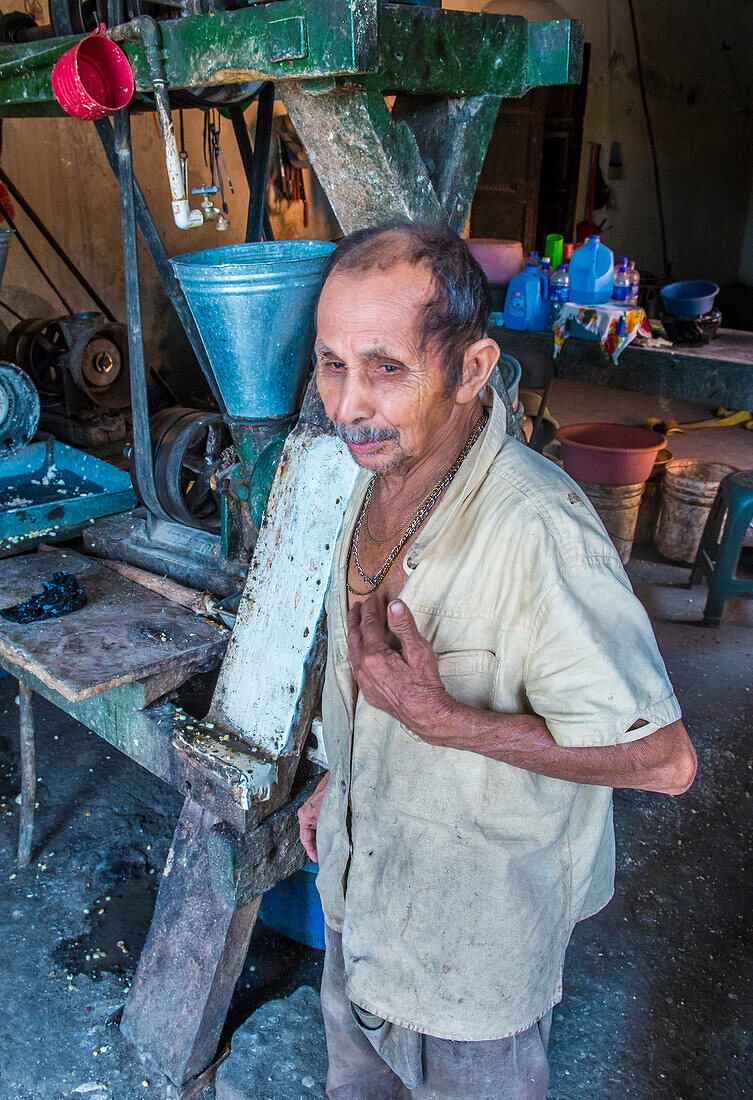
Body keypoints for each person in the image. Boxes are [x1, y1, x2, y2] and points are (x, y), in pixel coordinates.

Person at [298, 222, 696, 1099]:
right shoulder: (370, 477)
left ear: (471, 370)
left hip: (473, 956)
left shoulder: (537, 530)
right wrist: (349, 776)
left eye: (386, 367)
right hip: (360, 906)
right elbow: (373, 684)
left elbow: (666, 762)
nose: (347, 404)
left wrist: (445, 723)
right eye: (332, 364)